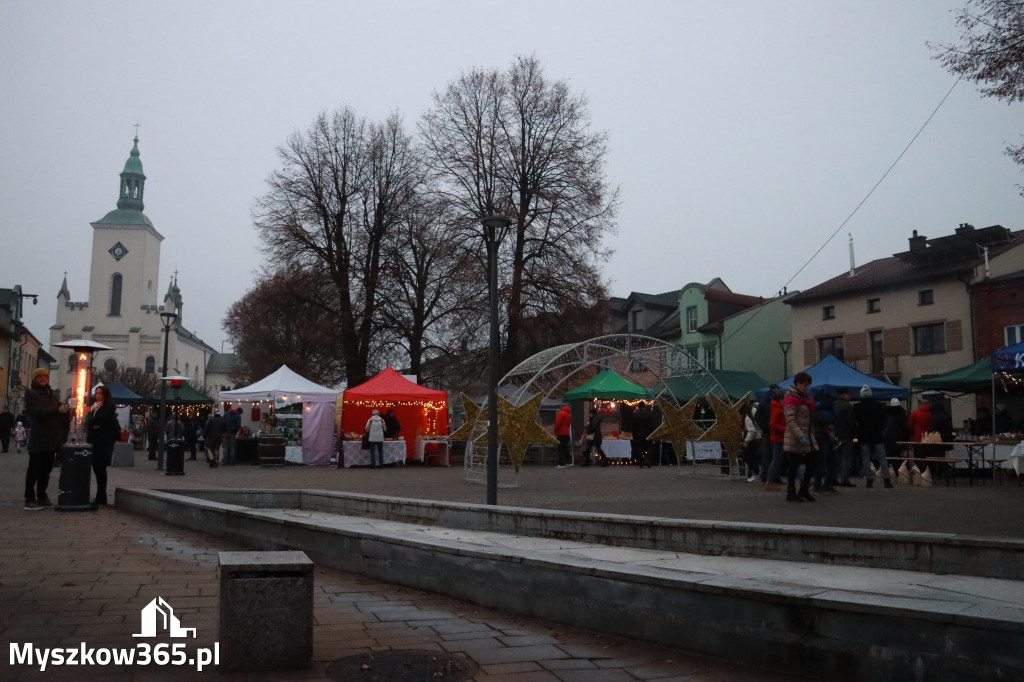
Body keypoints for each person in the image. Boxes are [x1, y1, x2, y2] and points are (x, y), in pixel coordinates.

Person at [23, 368, 70, 510]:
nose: (44, 379)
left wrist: (65, 409)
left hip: (51, 440)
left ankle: (42, 496)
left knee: (46, 471)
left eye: (46, 376)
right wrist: (57, 410)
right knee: (34, 470)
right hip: (39, 440)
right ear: (35, 378)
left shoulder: (50, 394)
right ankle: (29, 499)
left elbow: (57, 408)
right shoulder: (31, 394)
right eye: (40, 376)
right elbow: (37, 412)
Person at [782, 372, 818, 502]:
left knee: (812, 463)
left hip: (808, 436)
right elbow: (790, 420)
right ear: (797, 384)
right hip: (795, 439)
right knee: (794, 466)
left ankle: (804, 489)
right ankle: (791, 492)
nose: (807, 388)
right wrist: (800, 435)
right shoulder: (791, 399)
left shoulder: (807, 399)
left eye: (808, 385)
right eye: (804, 385)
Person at [85, 385, 119, 506]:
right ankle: (100, 496)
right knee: (97, 469)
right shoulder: (95, 407)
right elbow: (89, 423)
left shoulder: (108, 407)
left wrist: (93, 421)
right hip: (96, 441)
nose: (98, 396)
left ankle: (101, 497)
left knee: (100, 470)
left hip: (103, 443)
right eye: (97, 393)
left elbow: (98, 422)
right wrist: (91, 418)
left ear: (105, 395)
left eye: (100, 393)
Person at [853, 385, 892, 489]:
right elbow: (883, 420)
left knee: (866, 458)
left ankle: (869, 480)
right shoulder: (879, 405)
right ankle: (887, 480)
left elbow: (855, 422)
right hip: (877, 436)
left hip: (864, 436)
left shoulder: (857, 407)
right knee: (882, 458)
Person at [833, 387, 858, 487]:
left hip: (835, 435)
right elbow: (851, 422)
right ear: (844, 394)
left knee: (835, 458)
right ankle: (844, 479)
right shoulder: (847, 406)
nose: (850, 396)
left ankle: (833, 477)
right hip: (846, 435)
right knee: (846, 458)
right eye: (848, 394)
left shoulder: (833, 405)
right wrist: (854, 432)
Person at [763, 387, 786, 491]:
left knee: (781, 459)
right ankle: (769, 481)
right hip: (778, 438)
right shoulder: (778, 410)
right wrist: (786, 429)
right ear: (780, 399)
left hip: (780, 438)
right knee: (777, 460)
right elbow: (773, 425)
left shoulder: (778, 409)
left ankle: (770, 481)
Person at [883, 398, 910, 462]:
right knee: (897, 458)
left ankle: (888, 470)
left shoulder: (886, 414)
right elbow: (905, 428)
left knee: (888, 458)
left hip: (887, 439)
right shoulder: (902, 415)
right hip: (898, 440)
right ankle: (896, 470)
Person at [740, 401, 761, 482]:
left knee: (747, 456)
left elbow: (751, 431)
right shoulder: (753, 416)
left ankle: (755, 473)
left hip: (752, 440)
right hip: (756, 439)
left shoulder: (747, 418)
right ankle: (755, 473)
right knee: (752, 457)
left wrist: (746, 441)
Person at [630, 404, 654, 468]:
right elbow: (652, 425)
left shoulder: (635, 415)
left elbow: (633, 426)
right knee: (649, 447)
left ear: (639, 407)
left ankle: (641, 462)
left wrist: (634, 434)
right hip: (648, 434)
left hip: (639, 434)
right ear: (644, 407)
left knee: (639, 449)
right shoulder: (649, 414)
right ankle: (647, 458)